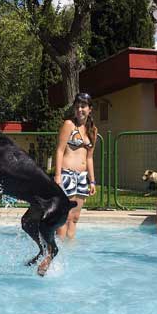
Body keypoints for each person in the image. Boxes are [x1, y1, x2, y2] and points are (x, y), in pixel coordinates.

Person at [54, 92, 97, 239]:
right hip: (67, 174)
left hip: (82, 178)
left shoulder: (93, 130)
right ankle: (58, 251)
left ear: (90, 109)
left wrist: (92, 181)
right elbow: (59, 150)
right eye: (77, 106)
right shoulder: (69, 125)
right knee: (64, 216)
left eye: (83, 106)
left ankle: (70, 250)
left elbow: (89, 157)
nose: (80, 109)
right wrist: (58, 175)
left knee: (75, 217)